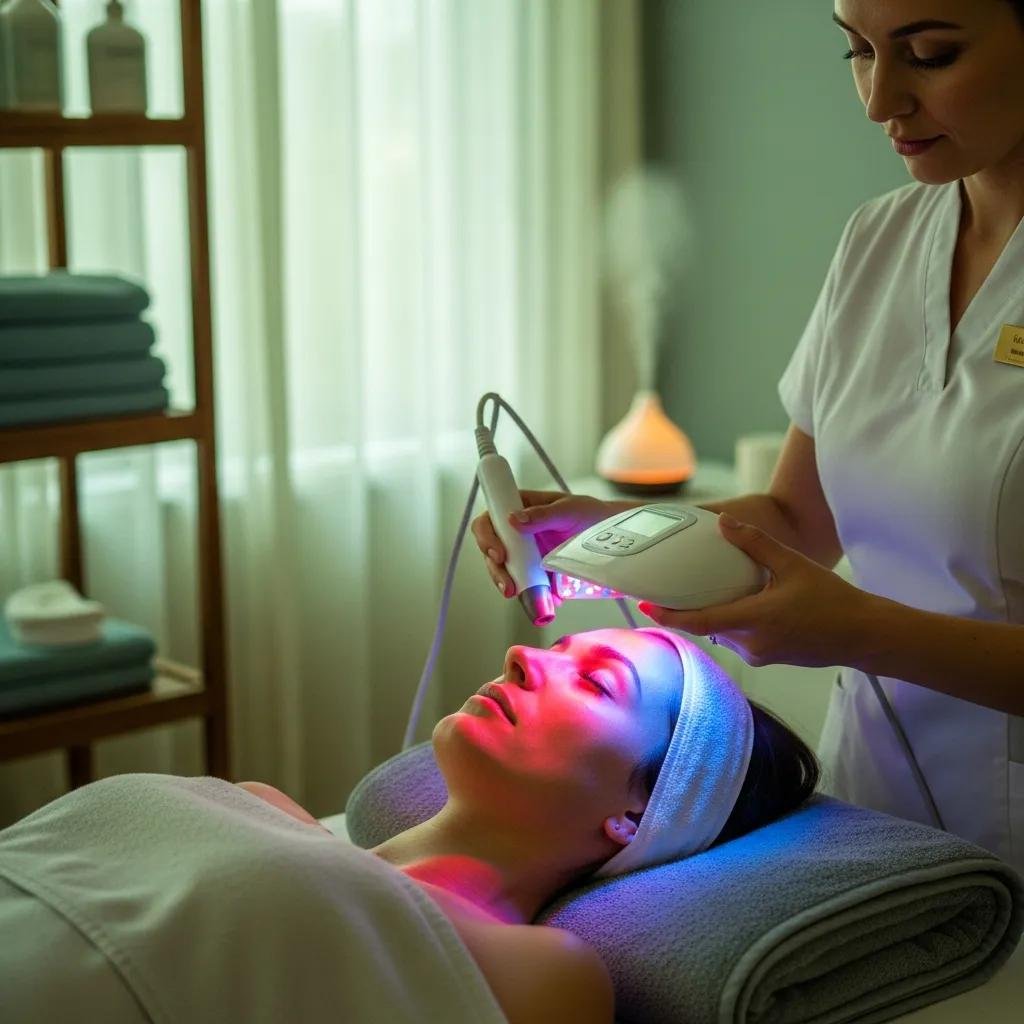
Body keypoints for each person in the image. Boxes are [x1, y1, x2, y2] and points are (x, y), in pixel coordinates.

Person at [475, 0, 1024, 874]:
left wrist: (857, 631)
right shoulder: (881, 238)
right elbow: (794, 515)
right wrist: (605, 531)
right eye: (857, 51)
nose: (881, 101)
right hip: (882, 804)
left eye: (929, 54)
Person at [0, 627, 818, 1024]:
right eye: (557, 647)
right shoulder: (262, 803)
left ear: (639, 813)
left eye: (595, 683)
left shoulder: (548, 973)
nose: (522, 657)